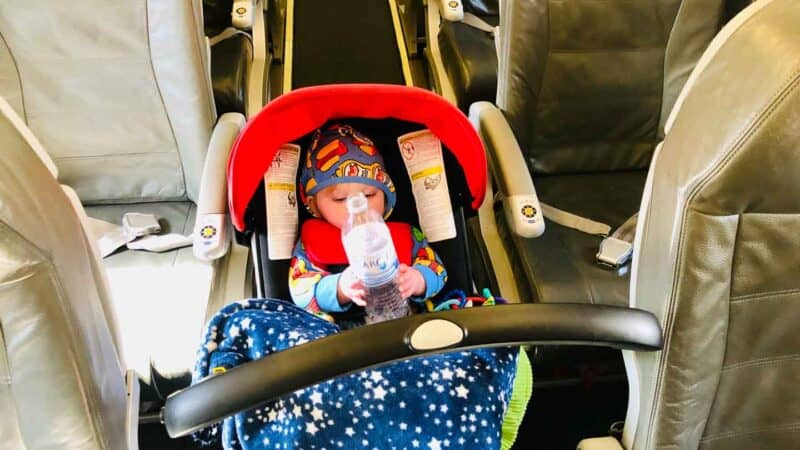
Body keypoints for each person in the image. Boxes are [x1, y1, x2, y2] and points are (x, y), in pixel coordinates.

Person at [289, 124, 447, 323]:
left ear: (386, 195)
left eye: (370, 195)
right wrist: (339, 288)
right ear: (315, 204)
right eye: (339, 199)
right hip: (341, 335)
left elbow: (438, 269)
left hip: (403, 322)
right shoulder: (311, 243)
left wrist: (419, 280)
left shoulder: (405, 236)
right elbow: (299, 290)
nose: (358, 206)